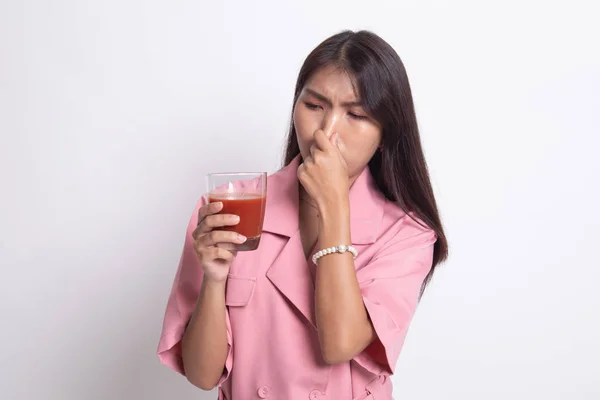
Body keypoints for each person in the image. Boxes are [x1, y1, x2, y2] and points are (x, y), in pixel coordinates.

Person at [157, 30, 448, 400]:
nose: (326, 133)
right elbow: (201, 374)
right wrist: (213, 281)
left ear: (385, 135)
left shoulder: (406, 234)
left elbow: (340, 344)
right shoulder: (231, 207)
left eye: (355, 114)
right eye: (314, 106)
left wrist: (334, 209)